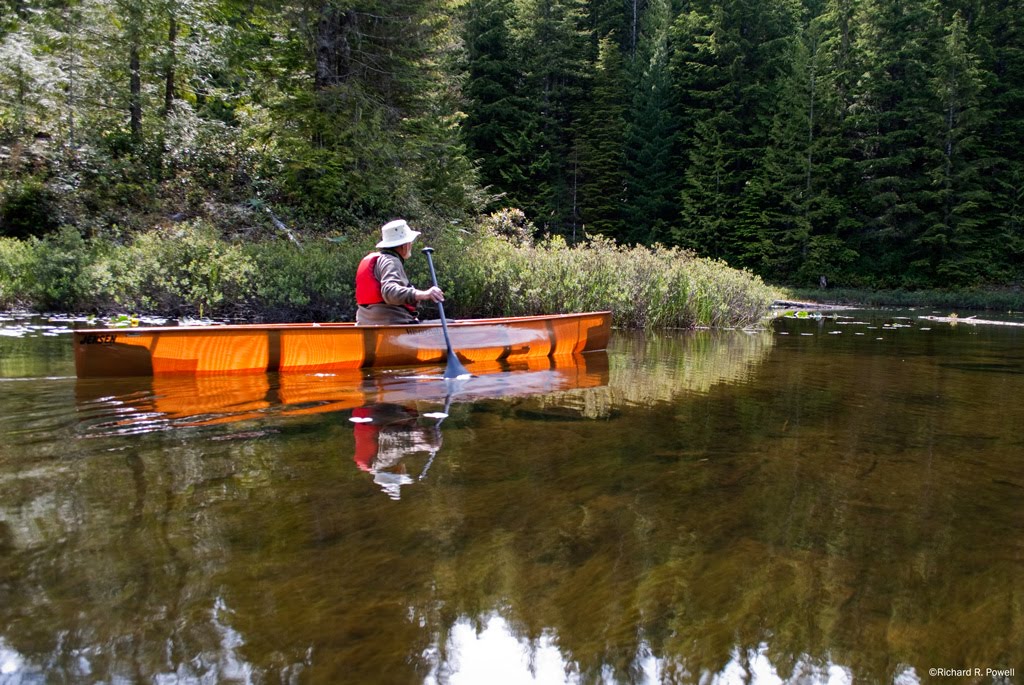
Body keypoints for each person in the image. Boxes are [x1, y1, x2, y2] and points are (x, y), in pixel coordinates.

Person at [355, 219, 445, 325]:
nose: (411, 245)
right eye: (410, 242)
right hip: (393, 322)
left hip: (365, 323)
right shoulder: (391, 261)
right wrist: (424, 294)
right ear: (404, 245)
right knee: (450, 324)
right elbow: (390, 292)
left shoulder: (381, 259)